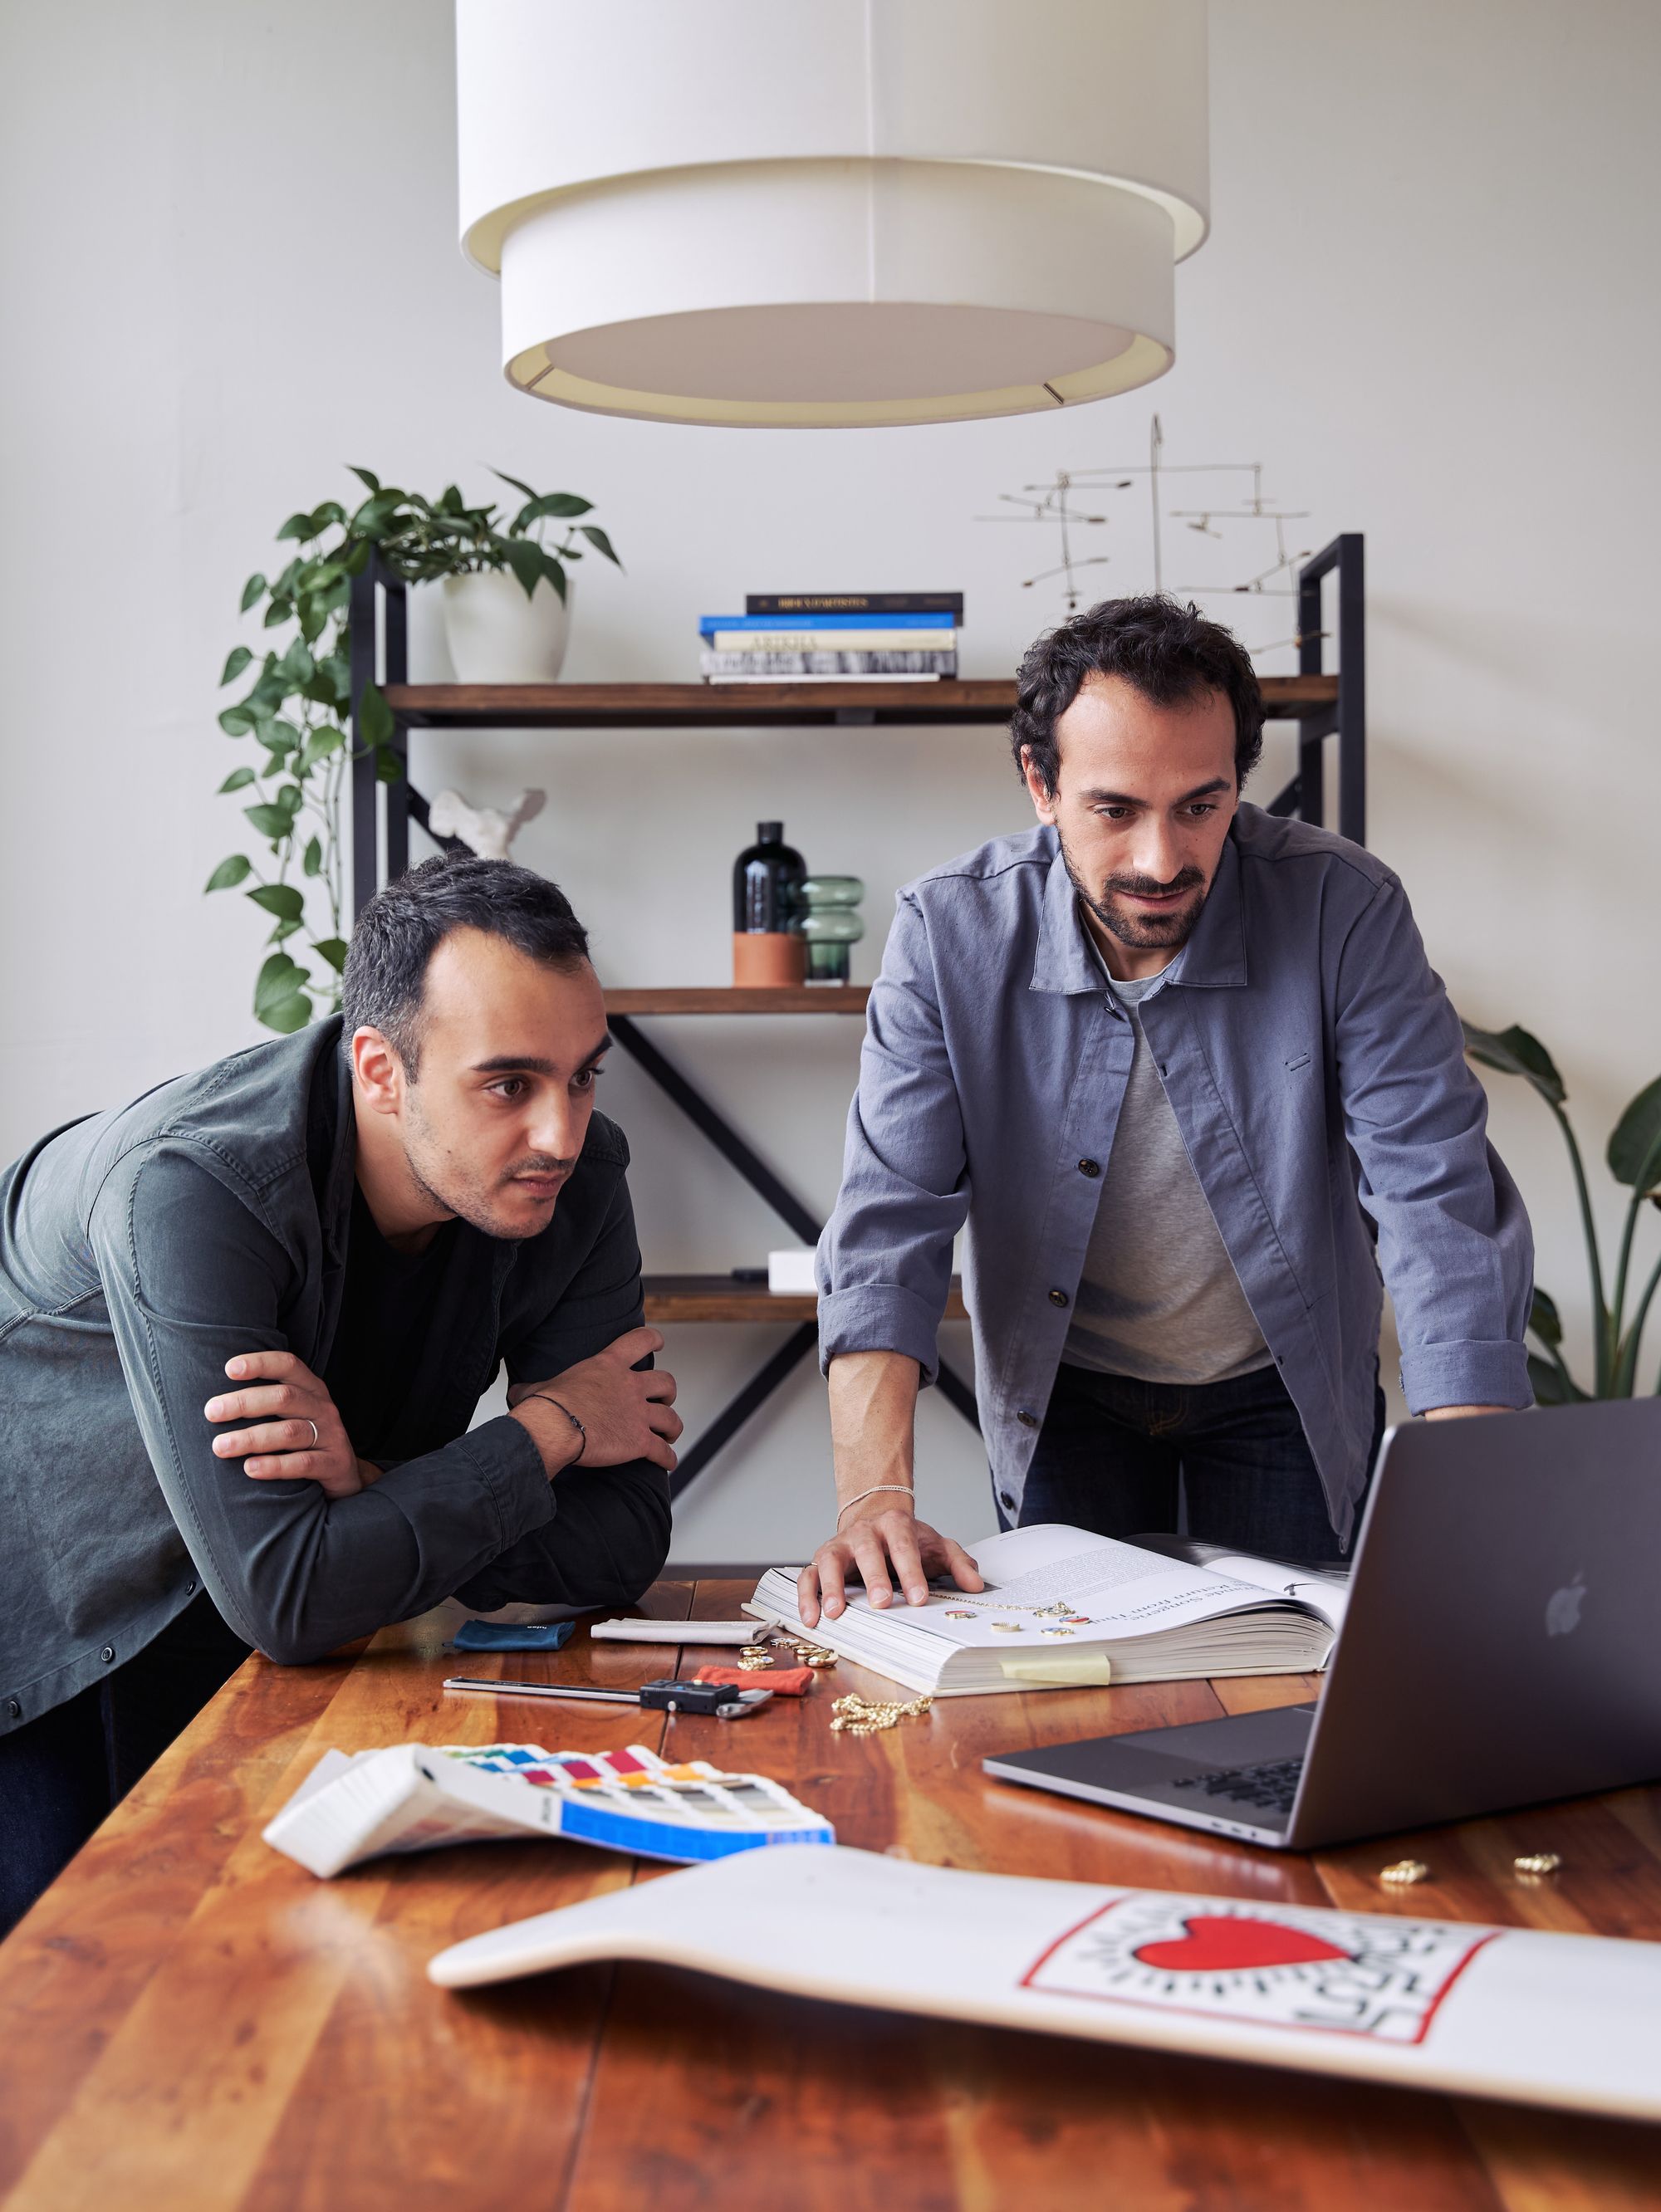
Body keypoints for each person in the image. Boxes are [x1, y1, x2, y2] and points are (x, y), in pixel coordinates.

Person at [800, 596, 1532, 1628]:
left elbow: (1433, 1200)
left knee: (1280, 1692)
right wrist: (873, 1497)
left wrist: (1470, 1493)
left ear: (1239, 779)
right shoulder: (945, 930)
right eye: (1113, 809)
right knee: (1074, 1695)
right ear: (1038, 784)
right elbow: (890, 1219)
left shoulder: (1342, 908)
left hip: (1281, 1386)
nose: (1159, 859)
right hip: (1064, 1390)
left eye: (1200, 804)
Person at [0, 856, 679, 1933]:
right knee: (65, 2009)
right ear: (379, 1069)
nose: (562, 1131)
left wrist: (373, 1486)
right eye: (510, 1085)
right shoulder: (196, 1188)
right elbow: (291, 1595)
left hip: (256, 1606)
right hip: (43, 1589)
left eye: (583, 1076)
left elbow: (628, 1533)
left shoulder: (575, 1179)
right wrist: (549, 1431)